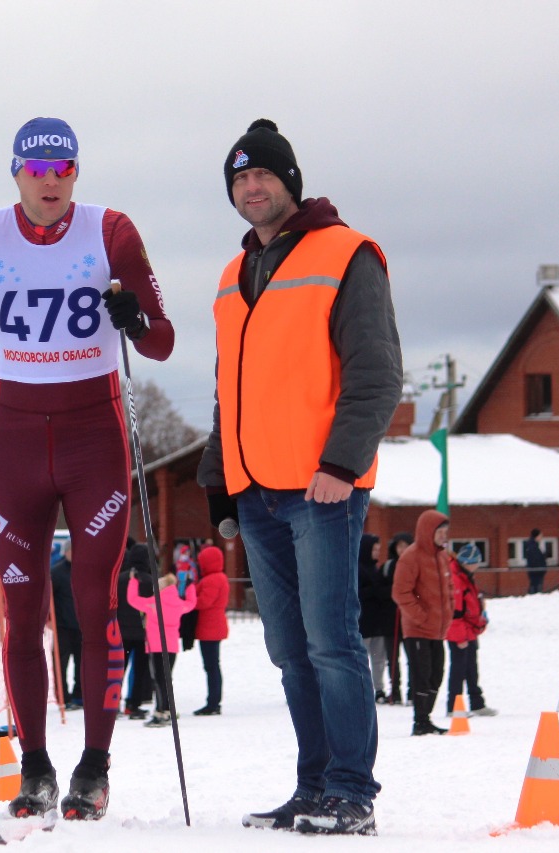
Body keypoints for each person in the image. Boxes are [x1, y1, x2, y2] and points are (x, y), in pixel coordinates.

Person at [0, 116, 174, 821]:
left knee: (94, 604)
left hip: (95, 438)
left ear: (76, 174)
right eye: (37, 168)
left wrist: (134, 318)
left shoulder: (111, 231)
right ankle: (34, 767)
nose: (50, 181)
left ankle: (94, 765)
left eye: (63, 169)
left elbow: (161, 342)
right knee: (21, 616)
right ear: (16, 173)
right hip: (17, 443)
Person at [196, 118, 401, 837]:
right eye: (240, 178)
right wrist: (220, 481)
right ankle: (313, 784)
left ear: (290, 181)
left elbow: (376, 373)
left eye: (264, 175)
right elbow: (231, 388)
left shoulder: (346, 254)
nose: (252, 187)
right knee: (288, 647)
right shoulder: (232, 274)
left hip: (324, 489)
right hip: (257, 491)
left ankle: (352, 789)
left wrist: (341, 465)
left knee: (332, 640)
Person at [392, 510, 454, 737]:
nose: (443, 536)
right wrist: (421, 617)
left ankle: (426, 718)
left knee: (436, 674)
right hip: (418, 630)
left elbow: (448, 589)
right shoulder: (411, 556)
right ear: (428, 532)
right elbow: (400, 592)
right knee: (422, 674)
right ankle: (420, 721)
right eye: (440, 531)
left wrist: (449, 613)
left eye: (446, 532)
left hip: (438, 631)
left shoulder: (442, 557)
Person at [126, 562, 197, 728]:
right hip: (171, 646)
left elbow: (132, 599)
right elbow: (192, 603)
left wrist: (133, 581)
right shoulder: (179, 603)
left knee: (158, 679)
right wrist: (190, 587)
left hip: (156, 645)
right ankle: (167, 709)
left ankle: (161, 711)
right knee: (166, 678)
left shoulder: (153, 603)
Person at [445, 544, 496, 718]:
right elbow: (455, 611)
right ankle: (454, 706)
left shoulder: (465, 575)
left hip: (469, 630)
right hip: (459, 631)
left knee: (471, 669)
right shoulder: (457, 577)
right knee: (458, 669)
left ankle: (477, 703)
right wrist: (459, 637)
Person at [116, 543, 153, 720]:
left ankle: (113, 704)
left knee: (118, 671)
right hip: (142, 634)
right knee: (139, 671)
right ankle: (133, 705)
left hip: (121, 633)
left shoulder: (120, 579)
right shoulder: (150, 581)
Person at [192, 544, 229, 716]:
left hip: (209, 628)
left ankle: (213, 702)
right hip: (214, 626)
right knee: (213, 665)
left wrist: (191, 593)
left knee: (211, 666)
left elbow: (203, 602)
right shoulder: (221, 577)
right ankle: (214, 701)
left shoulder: (211, 580)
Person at [357, 533, 394, 704]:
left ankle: (379, 689)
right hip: (363, 623)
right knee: (362, 659)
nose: (377, 553)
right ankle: (362, 689)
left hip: (378, 623)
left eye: (379, 549)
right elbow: (359, 593)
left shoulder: (376, 569)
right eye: (374, 549)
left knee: (379, 659)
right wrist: (376, 590)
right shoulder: (358, 569)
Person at [50, 540, 82, 709]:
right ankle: (63, 697)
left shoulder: (85, 570)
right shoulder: (56, 572)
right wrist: (49, 619)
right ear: (66, 552)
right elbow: (47, 598)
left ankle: (80, 695)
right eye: (72, 551)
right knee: (61, 663)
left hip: (81, 626)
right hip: (62, 626)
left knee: (82, 663)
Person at [382, 532, 412, 704]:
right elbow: (379, 590)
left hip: (410, 620)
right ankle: (394, 692)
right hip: (391, 620)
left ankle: (413, 692)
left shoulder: (416, 564)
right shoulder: (388, 566)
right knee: (392, 659)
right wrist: (394, 594)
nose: (402, 549)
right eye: (399, 546)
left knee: (413, 658)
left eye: (405, 545)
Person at [524, 528, 548, 594]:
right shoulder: (532, 546)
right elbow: (535, 559)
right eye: (540, 536)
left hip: (537, 571)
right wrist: (541, 567)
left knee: (535, 587)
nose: (541, 537)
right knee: (535, 587)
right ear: (536, 536)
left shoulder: (535, 545)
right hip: (536, 571)